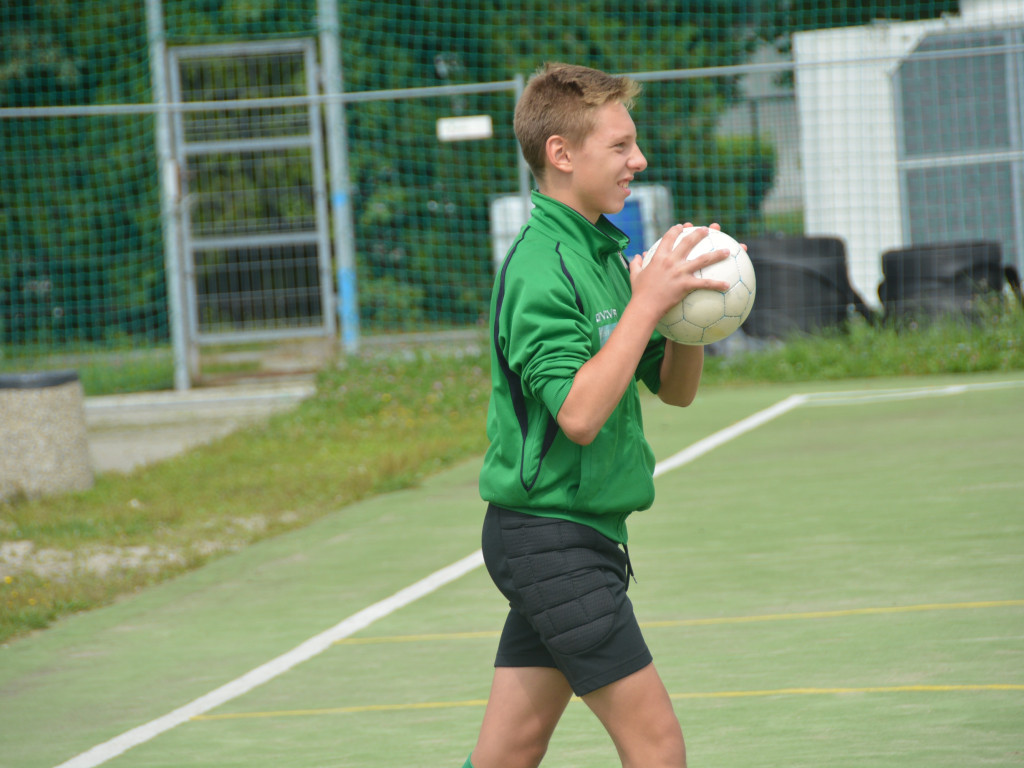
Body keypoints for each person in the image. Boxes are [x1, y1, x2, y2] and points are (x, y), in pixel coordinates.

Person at [466, 62, 731, 768]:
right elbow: (579, 413)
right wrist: (646, 305)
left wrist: (686, 316)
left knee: (508, 754)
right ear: (562, 154)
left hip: (575, 536)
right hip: (551, 543)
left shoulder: (603, 253)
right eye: (619, 147)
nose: (637, 161)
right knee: (657, 747)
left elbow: (673, 390)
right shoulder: (539, 268)